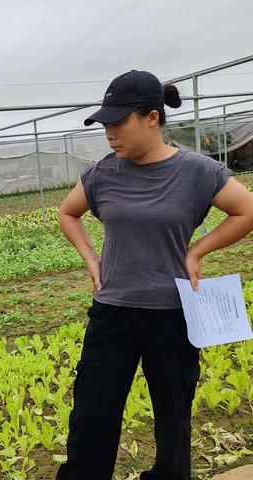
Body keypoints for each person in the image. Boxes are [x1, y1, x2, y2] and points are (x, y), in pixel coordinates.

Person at [55, 70, 253, 480]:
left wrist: (198, 249)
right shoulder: (103, 174)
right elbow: (67, 213)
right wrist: (91, 257)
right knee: (92, 416)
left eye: (118, 122)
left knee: (173, 419)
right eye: (105, 124)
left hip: (173, 314)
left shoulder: (198, 172)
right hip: (112, 313)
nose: (109, 133)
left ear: (152, 118)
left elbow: (246, 210)